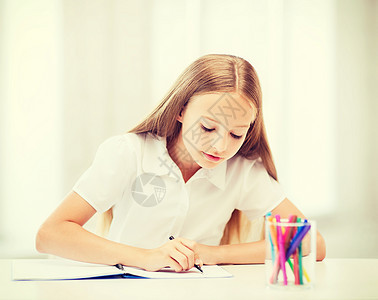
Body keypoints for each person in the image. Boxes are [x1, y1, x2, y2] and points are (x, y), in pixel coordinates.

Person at [36, 54, 326, 272]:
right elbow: (50, 235)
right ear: (181, 110)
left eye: (237, 133)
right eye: (208, 128)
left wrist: (212, 253)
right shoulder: (129, 152)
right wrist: (146, 257)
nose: (221, 146)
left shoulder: (243, 171)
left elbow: (313, 243)